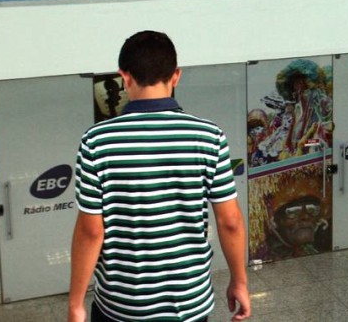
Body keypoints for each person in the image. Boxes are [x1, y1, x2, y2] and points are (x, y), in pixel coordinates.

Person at [70, 31, 251, 322]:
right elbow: (230, 221)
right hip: (190, 303)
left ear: (124, 77)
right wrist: (239, 281)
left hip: (122, 306)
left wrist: (76, 304)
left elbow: (91, 232)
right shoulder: (209, 136)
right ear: (176, 76)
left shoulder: (97, 141)